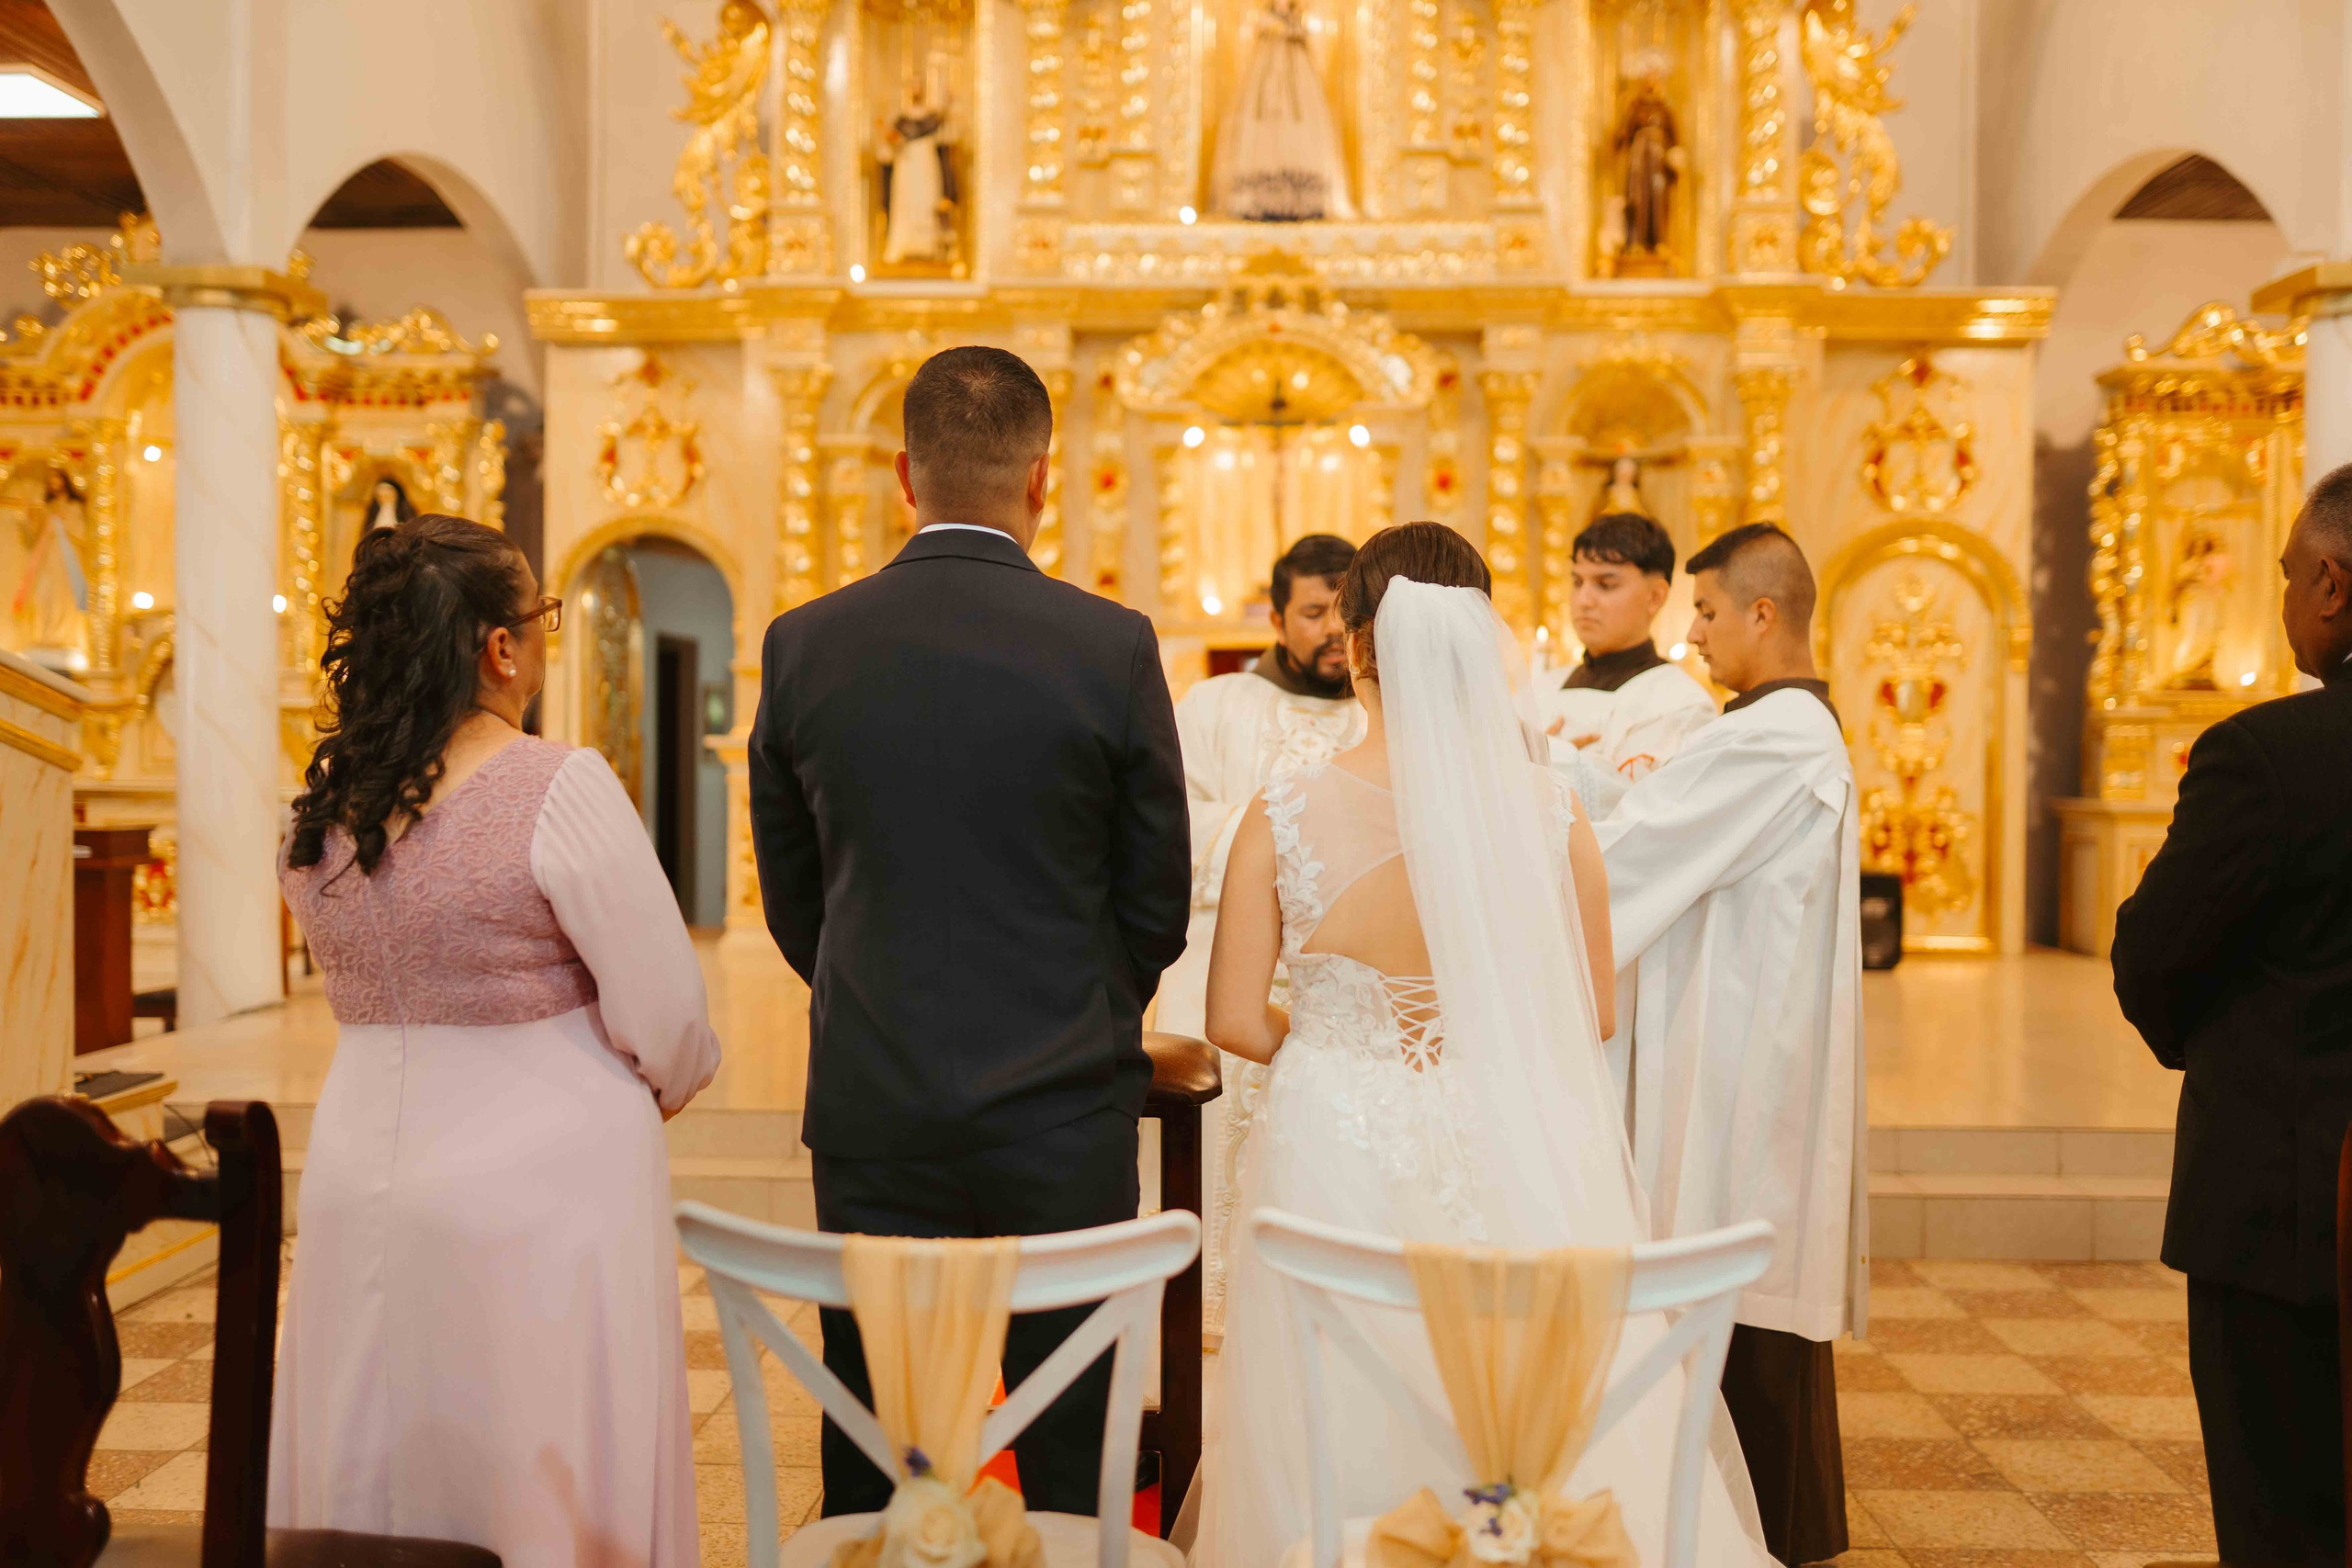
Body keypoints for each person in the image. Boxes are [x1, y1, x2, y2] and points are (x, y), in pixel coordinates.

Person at [1196, 521, 1770, 1568]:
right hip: (1514, 1138)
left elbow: (1232, 1020)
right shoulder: (1552, 812)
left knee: (1339, 1404)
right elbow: (1590, 1014)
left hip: (1335, 1142)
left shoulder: (1279, 810)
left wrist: (1335, 1038)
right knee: (1535, 1391)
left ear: (1362, 645)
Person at [749, 345, 1191, 1517]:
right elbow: (1157, 889)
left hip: (874, 1093)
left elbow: (793, 890)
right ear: (1043, 478)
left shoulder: (805, 642)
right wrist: (1086, 1010)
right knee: (1066, 1434)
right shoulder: (1110, 645)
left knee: (874, 1431)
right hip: (1062, 1098)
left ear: (905, 473)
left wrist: (864, 983)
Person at [272, 514, 719, 1566]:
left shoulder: (320, 806)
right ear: (500, 647)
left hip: (355, 1157)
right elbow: (669, 1016)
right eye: (541, 619)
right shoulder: (556, 784)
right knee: (538, 1453)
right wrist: (655, 1081)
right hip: (546, 1181)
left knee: (371, 1442)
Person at [1589, 523, 1862, 1567]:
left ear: (1762, 612)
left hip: (1739, 1062)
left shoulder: (1775, 737)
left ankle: (1754, 1533)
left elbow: (1636, 853)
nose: (1689, 634)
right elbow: (1653, 817)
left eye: (1703, 611)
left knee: (1733, 1279)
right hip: (1738, 1041)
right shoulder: (1764, 729)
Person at [2112, 462, 2352, 1564]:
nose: (2286, 594)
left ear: (2333, 585)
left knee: (2285, 1512)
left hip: (2287, 1213)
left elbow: (2154, 955)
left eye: (2292, 572)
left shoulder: (2267, 757)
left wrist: (2222, 1047)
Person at [1158, 531, 1363, 1330]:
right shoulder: (1212, 708)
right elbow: (1168, 825)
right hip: (1216, 968)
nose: (1333, 632)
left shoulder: (1379, 717)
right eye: (1314, 612)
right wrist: (1283, 839)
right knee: (1206, 1166)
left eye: (1346, 614)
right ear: (1276, 618)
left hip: (1332, 989)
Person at [1538, 511, 1717, 814]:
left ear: (1655, 597)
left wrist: (1550, 765)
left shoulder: (1682, 707)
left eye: (1605, 584)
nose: (1584, 599)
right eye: (1577, 581)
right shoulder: (1541, 688)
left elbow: (1649, 821)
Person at [1210, 0, 1357, 221]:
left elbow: (1302, 35)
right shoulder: (1265, 28)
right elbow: (1264, 28)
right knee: (1264, 134)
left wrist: (1291, 30)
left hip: (1297, 88)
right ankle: (1260, 198)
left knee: (1299, 132)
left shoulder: (1298, 26)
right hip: (1267, 87)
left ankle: (1302, 198)